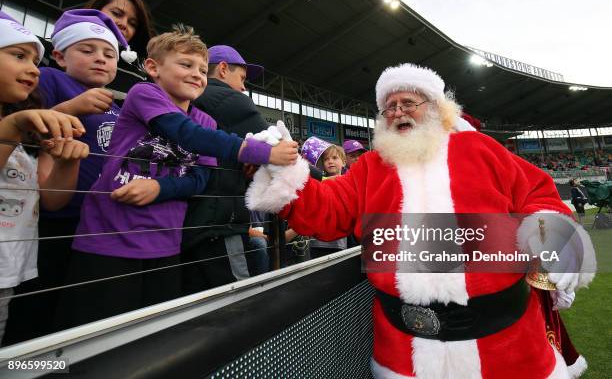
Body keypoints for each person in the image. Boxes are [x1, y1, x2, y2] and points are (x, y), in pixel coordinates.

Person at [246, 63, 596, 378]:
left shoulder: (481, 149)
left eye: (408, 102)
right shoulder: (370, 167)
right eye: (390, 107)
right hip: (404, 354)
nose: (398, 111)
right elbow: (329, 209)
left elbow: (537, 192)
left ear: (436, 109)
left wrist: (554, 236)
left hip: (508, 347)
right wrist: (289, 171)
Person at [53, 25, 297, 329]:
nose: (197, 74)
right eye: (186, 65)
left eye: (202, 69)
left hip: (166, 244)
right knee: (93, 335)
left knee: (153, 335)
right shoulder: (145, 94)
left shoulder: (206, 119)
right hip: (109, 239)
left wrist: (160, 187)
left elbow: (200, 177)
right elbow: (186, 134)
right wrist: (259, 152)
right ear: (153, 67)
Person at [4, 9, 128, 344]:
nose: (100, 60)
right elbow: (27, 130)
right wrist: (73, 106)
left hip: (98, 218)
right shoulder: (49, 79)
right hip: (54, 219)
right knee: (37, 300)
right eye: (87, 51)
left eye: (109, 54)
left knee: (73, 301)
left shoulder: (117, 107)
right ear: (59, 55)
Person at [0, 11, 89, 343]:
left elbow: (52, 199)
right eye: (18, 55)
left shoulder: (23, 134)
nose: (34, 69)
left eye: (35, 60)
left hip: (10, 270)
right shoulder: (16, 125)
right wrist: (14, 126)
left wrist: (68, 163)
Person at [182, 45, 269, 291]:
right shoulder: (228, 98)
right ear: (222, 69)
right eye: (241, 78)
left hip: (184, 223)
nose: (243, 87)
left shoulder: (184, 98)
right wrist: (324, 180)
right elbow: (275, 146)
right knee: (237, 300)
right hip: (219, 223)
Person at [85, 0, 156, 93]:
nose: (124, 24)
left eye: (132, 24)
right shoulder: (54, 50)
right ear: (96, 10)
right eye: (116, 13)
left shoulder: (138, 79)